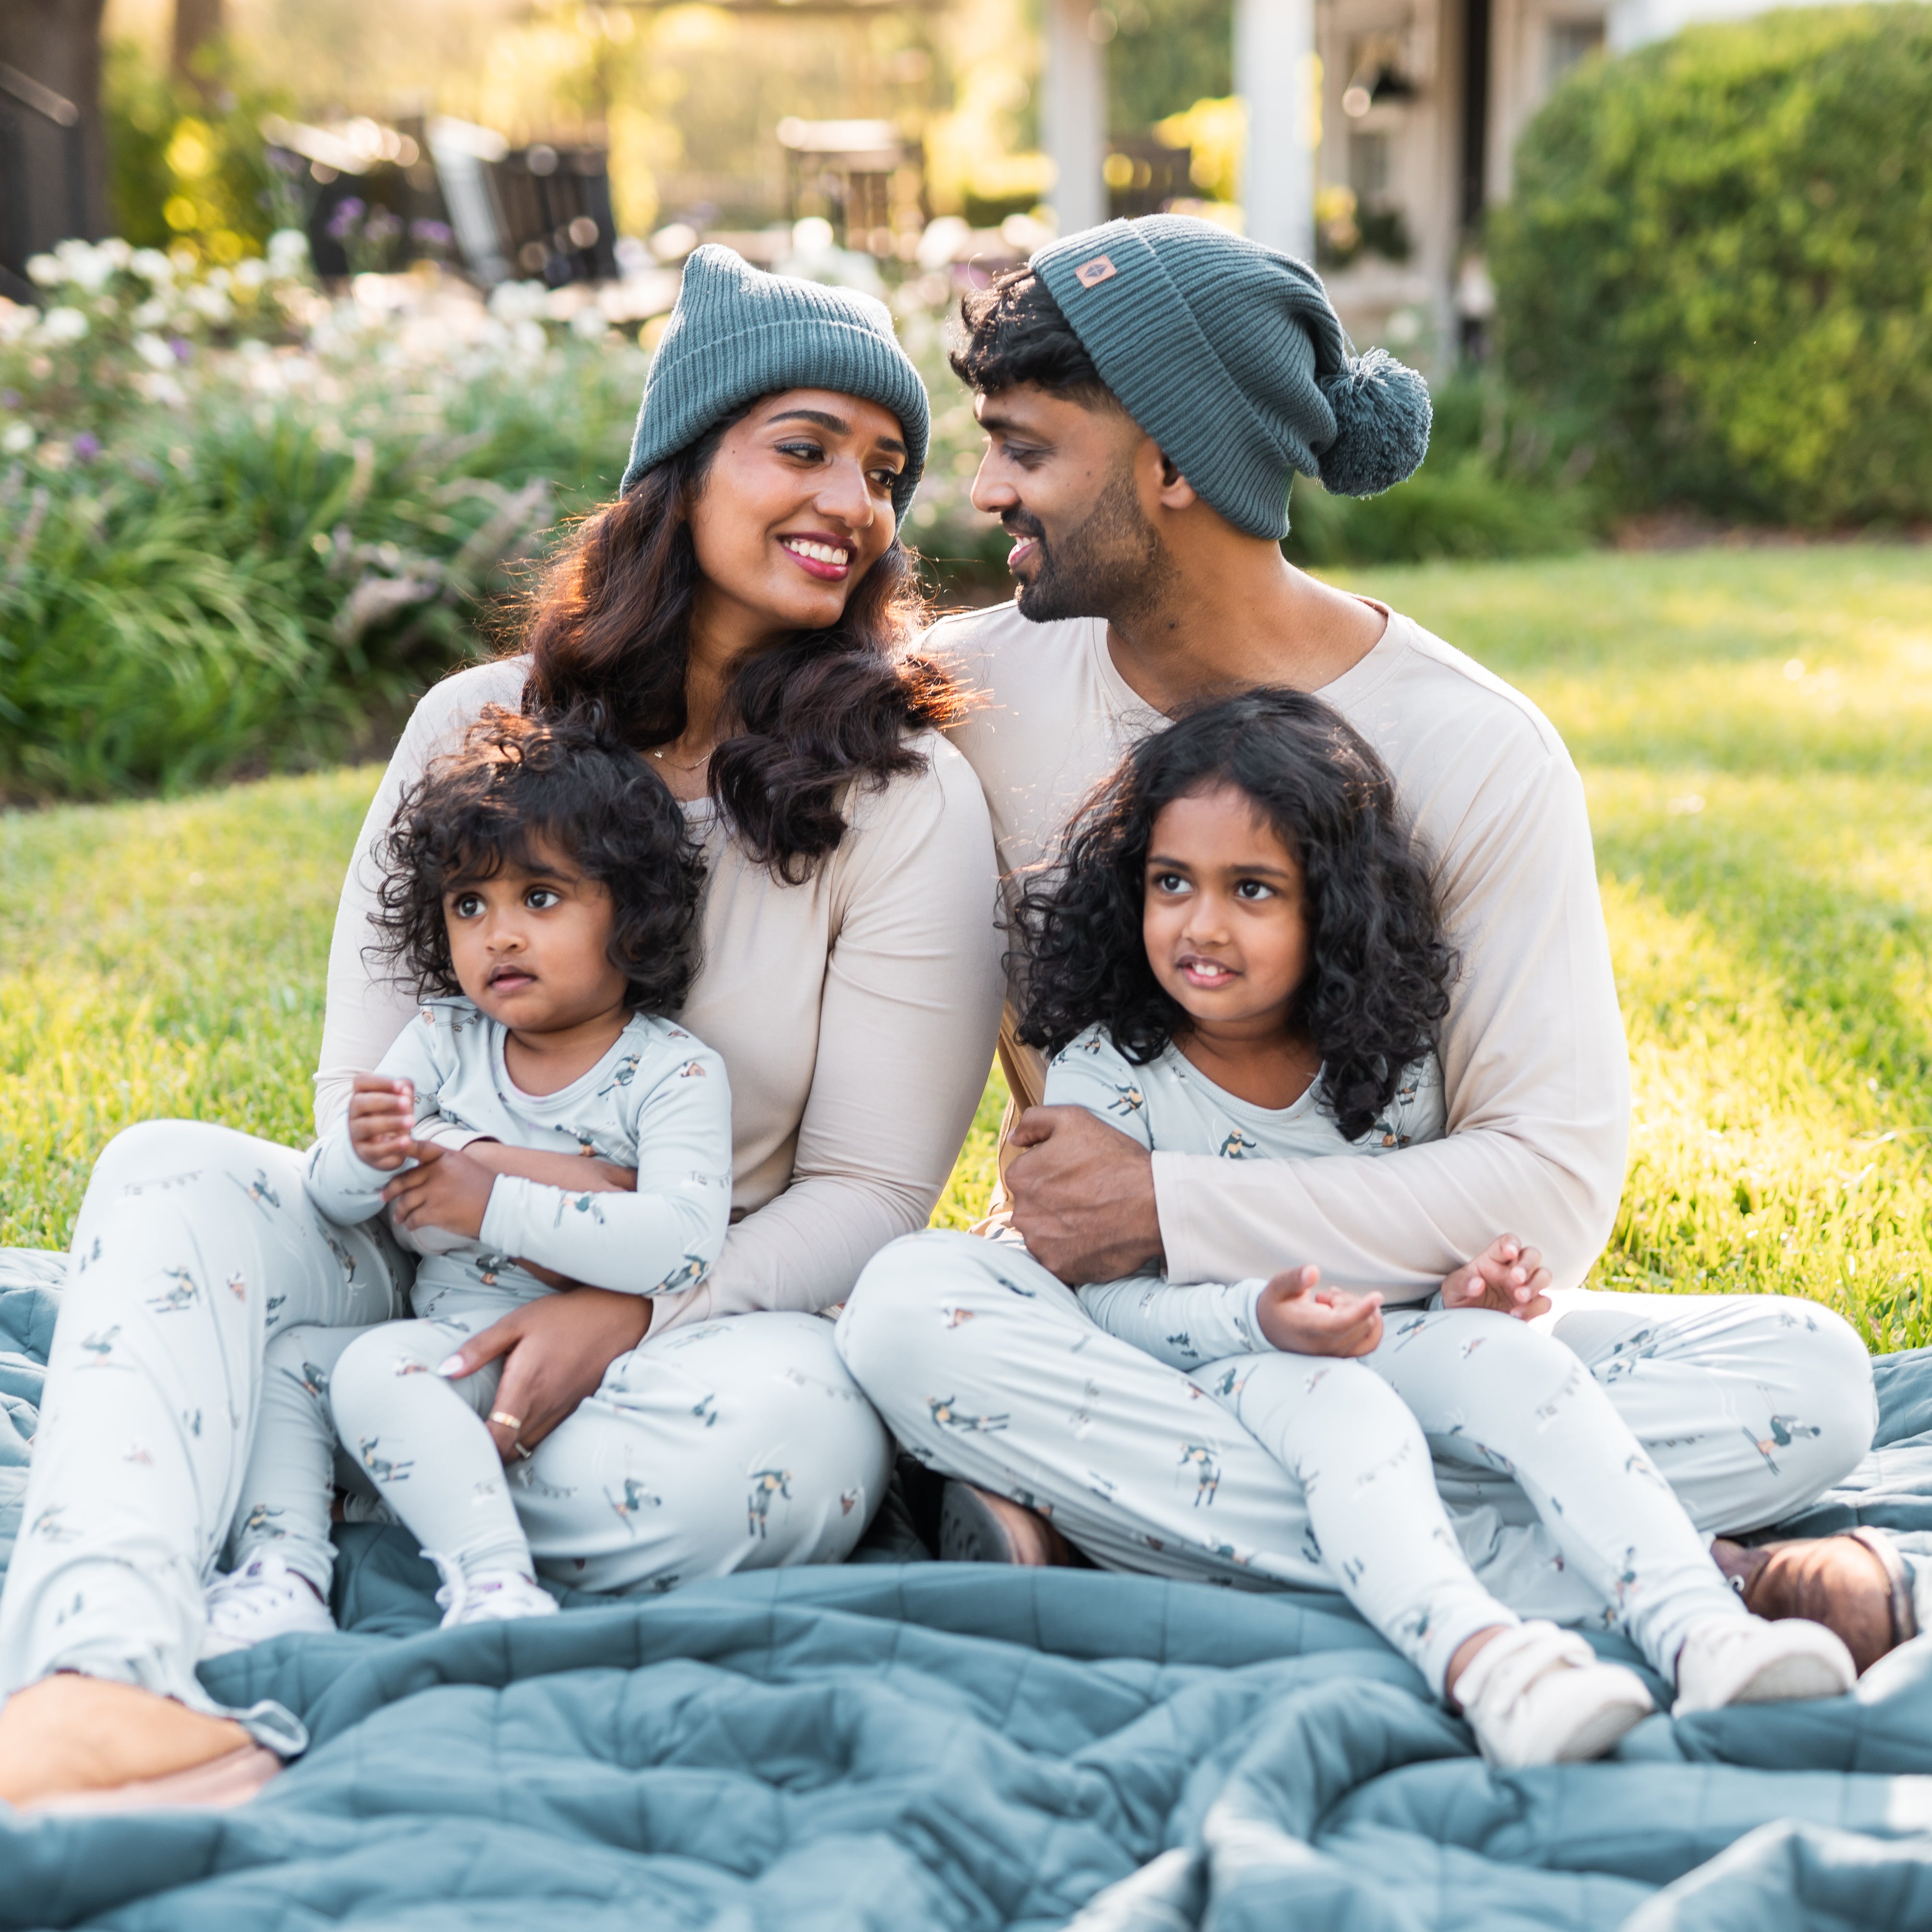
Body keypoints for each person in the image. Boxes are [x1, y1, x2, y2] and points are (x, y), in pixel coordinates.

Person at [0, 245, 1004, 1809]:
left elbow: (872, 1196)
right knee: (167, 1172)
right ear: (681, 469)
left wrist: (635, 1301)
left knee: (762, 1464)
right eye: (803, 447)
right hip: (415, 1247)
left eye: (885, 471)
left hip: (713, 1313)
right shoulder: (476, 726)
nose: (855, 502)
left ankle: (302, 1460)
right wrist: (434, 1187)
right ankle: (101, 1674)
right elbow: (361, 1084)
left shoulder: (900, 794)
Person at [836, 214, 1908, 1667]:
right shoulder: (961, 701)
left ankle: (1098, 1524)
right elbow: (692, 720)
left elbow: (1547, 1182)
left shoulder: (1472, 751)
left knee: (1810, 1382)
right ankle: (1663, 1571)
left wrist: (1168, 1203)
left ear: (1170, 462)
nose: (982, 491)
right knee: (912, 1317)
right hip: (1129, 1336)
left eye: (1027, 449)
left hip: (1403, 1333)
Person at [1007, 686, 1857, 1753]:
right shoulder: (1105, 1076)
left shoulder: (1388, 1064)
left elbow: (1397, 1263)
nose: (1200, 924)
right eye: (1169, 881)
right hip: (1226, 1380)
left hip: (1389, 1343)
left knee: (1525, 1369)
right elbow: (1104, 1301)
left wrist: (1459, 1292)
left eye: (1253, 889)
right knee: (1346, 1418)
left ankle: (1699, 1628)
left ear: (1332, 909)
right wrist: (1255, 1320)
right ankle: (1482, 1656)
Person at [209, 707, 758, 1647]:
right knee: (288, 1363)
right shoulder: (440, 1041)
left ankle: (494, 1582)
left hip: (582, 1360)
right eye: (471, 905)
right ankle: (284, 1569)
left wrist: (488, 1196)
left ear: (631, 909)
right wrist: (363, 1151)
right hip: (445, 1345)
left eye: (539, 898)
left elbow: (677, 1243)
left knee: (382, 1367)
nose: (498, 934)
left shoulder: (673, 1072)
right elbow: (339, 1201)